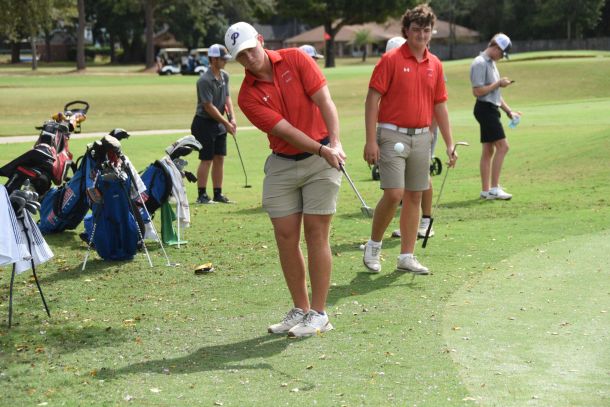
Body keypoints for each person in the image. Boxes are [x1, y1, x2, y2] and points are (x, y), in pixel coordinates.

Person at [224, 22, 345, 337]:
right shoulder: (247, 96)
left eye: (250, 50)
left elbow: (325, 101)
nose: (248, 58)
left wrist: (334, 143)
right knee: (285, 236)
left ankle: (319, 314)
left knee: (316, 233)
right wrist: (322, 149)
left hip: (322, 160)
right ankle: (300, 309)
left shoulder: (296, 59)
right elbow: (285, 131)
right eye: (240, 56)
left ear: (261, 40)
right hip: (284, 162)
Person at [362, 4, 457, 275]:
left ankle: (406, 256)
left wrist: (449, 143)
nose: (421, 35)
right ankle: (374, 245)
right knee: (394, 194)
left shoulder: (435, 64)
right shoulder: (390, 59)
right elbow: (372, 100)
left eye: (426, 30)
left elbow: (440, 105)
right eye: (416, 30)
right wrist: (370, 140)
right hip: (391, 133)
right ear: (406, 30)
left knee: (415, 195)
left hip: (422, 136)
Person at [384, 35, 436, 240]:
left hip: (423, 130)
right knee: (407, 180)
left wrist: (430, 133)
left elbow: (436, 105)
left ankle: (426, 222)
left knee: (421, 176)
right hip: (400, 132)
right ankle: (410, 225)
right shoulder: (393, 68)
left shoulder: (427, 65)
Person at [470, 33, 521, 200]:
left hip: (491, 108)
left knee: (488, 150)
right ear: (497, 47)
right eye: (502, 53)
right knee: (503, 147)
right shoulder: (479, 63)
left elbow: (496, 94)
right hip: (485, 109)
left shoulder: (491, 63)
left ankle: (486, 191)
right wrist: (498, 83)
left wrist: (509, 111)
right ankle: (494, 188)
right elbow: (477, 91)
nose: (502, 57)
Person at [191, 43, 236, 204]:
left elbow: (227, 98)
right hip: (204, 123)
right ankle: (202, 195)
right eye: (223, 59)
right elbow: (208, 106)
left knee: (219, 158)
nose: (225, 61)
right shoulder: (204, 80)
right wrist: (226, 122)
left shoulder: (225, 76)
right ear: (214, 59)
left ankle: (218, 193)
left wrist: (232, 118)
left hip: (219, 123)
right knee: (207, 159)